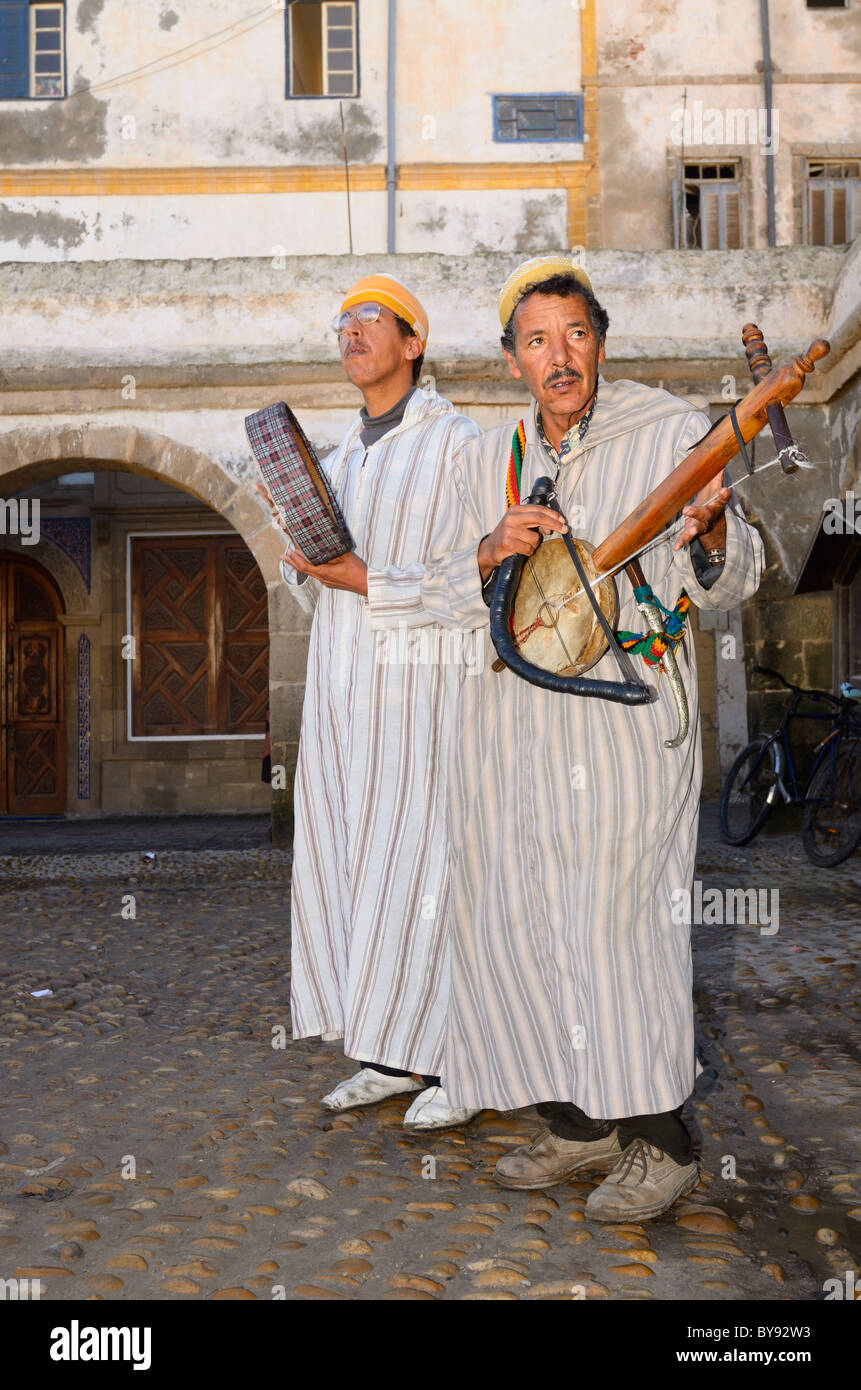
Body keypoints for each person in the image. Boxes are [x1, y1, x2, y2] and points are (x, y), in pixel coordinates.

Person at [405, 255, 764, 1218]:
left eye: (574, 335)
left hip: (621, 726)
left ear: (598, 341)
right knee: (518, 919)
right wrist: (486, 552)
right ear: (512, 359)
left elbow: (734, 574)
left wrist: (713, 542)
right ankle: (577, 1123)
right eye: (537, 341)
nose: (558, 357)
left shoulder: (668, 432)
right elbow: (439, 590)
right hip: (507, 730)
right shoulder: (485, 459)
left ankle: (663, 1139)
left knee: (618, 926)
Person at [264, 274, 481, 1132]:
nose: (350, 334)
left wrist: (364, 579)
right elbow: (333, 587)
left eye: (369, 320)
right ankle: (390, 1051)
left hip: (422, 691)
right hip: (343, 689)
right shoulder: (344, 454)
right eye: (341, 322)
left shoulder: (457, 441)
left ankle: (462, 1058)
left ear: (413, 341)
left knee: (425, 869)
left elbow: (480, 579)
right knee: (354, 865)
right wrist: (308, 564)